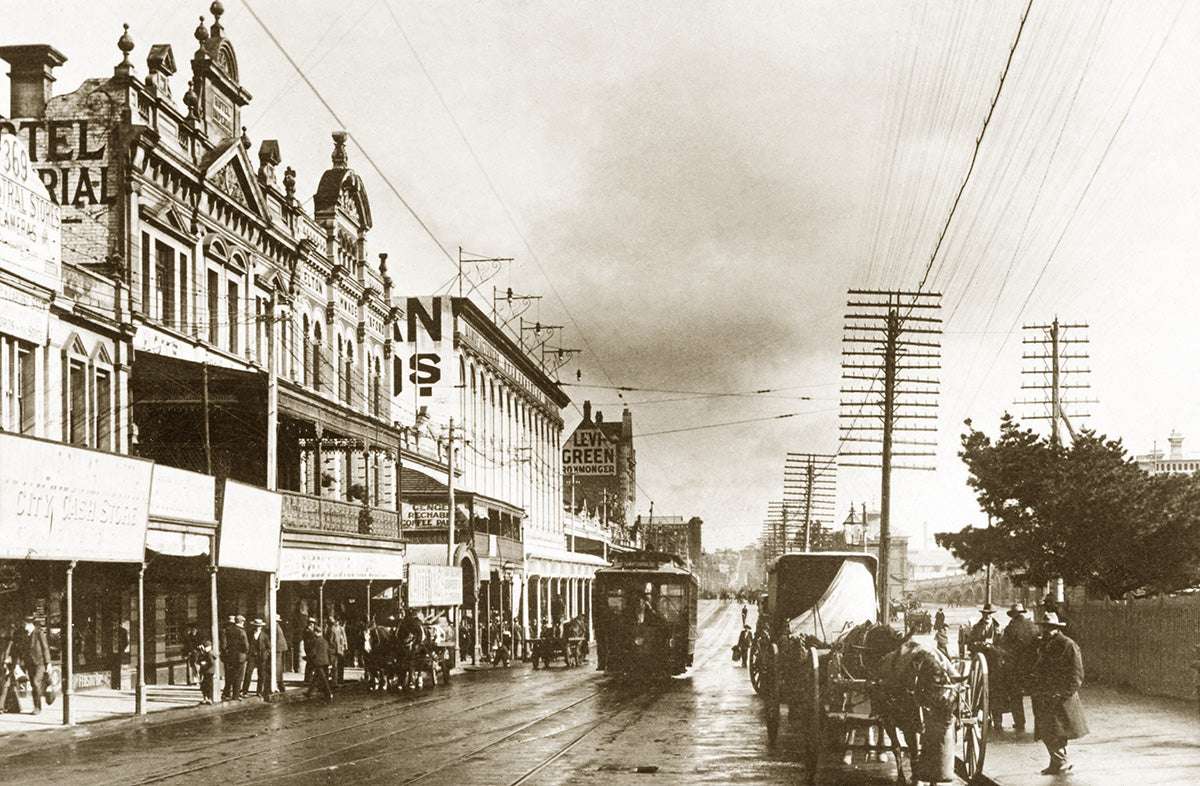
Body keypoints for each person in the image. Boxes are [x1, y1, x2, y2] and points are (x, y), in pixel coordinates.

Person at [1030, 612, 1087, 774]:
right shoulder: (1044, 643)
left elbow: (1077, 675)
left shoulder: (1067, 645)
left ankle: (1061, 761)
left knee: (1054, 732)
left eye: (1048, 627)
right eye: (1043, 627)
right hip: (1045, 695)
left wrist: (1063, 695)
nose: (1044, 630)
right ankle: (1056, 763)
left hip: (1060, 698)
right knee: (1049, 731)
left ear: (1056, 628)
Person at [1001, 602, 1039, 731]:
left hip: (1016, 668)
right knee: (1036, 697)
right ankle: (1038, 726)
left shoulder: (1010, 628)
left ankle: (1020, 723)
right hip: (1033, 668)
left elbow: (1004, 648)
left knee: (1015, 697)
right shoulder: (1033, 626)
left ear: (1013, 615)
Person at [13, 616, 52, 715]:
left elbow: (45, 648)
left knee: (35, 682)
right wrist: (18, 663)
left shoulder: (39, 633)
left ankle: (38, 707)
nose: (23, 626)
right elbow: (22, 650)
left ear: (30, 624)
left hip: (40, 663)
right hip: (29, 664)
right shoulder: (25, 635)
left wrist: (48, 663)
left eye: (25, 624)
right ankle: (36, 706)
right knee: (34, 685)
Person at [305, 624, 334, 701]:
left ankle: (329, 693)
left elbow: (313, 652)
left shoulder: (315, 641)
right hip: (325, 662)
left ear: (315, 632)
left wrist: (307, 658)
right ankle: (308, 693)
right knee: (316, 678)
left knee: (323, 679)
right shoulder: (325, 641)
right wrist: (330, 662)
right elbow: (329, 652)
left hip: (318, 662)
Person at [225, 615, 249, 700]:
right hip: (240, 656)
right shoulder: (241, 631)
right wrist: (246, 651)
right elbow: (245, 645)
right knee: (239, 676)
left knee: (232, 674)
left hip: (231, 655)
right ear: (242, 622)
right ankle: (236, 695)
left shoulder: (229, 630)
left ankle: (229, 693)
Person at [327, 617, 348, 686]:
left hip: (339, 650)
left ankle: (338, 680)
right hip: (336, 651)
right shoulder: (333, 630)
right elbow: (331, 641)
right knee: (335, 666)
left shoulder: (336, 629)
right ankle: (335, 681)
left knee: (337, 666)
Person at [196, 640, 217, 704]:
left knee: (207, 684)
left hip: (208, 671)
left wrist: (204, 663)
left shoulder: (209, 653)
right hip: (206, 671)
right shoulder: (205, 653)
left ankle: (208, 697)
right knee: (205, 684)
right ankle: (207, 697)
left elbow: (211, 662)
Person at [274, 615, 290, 694]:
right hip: (280, 648)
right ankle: (281, 685)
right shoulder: (278, 627)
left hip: (277, 649)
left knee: (277, 668)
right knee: (278, 667)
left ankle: (280, 685)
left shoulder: (275, 628)